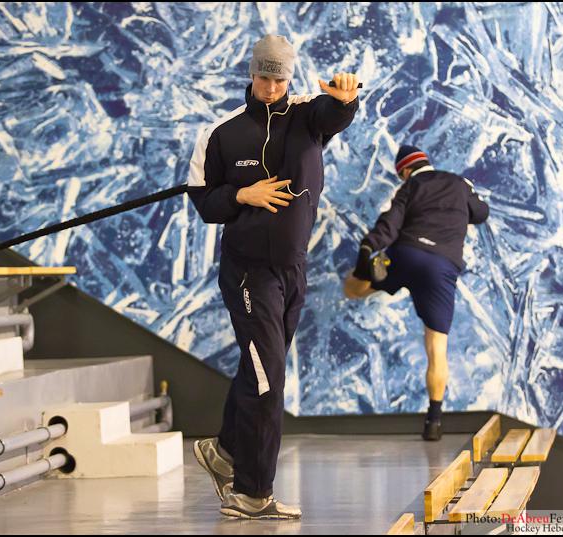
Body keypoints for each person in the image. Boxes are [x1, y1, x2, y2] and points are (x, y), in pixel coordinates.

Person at [187, 35, 360, 519]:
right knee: (269, 379)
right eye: (264, 77)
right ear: (252, 73)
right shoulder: (221, 133)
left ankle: (224, 450)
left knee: (262, 367)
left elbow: (334, 114)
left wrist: (346, 99)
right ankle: (251, 493)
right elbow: (204, 201)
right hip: (248, 272)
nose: (270, 88)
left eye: (279, 80)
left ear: (290, 78)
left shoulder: (308, 115)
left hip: (293, 269)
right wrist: (242, 195)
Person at [343, 145, 490, 440]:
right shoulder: (459, 184)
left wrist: (370, 245)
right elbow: (481, 214)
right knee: (436, 348)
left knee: (352, 289)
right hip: (441, 267)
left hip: (407, 254)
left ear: (406, 171)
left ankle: (366, 273)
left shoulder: (410, 186)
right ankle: (434, 421)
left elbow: (390, 224)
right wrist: (466, 196)